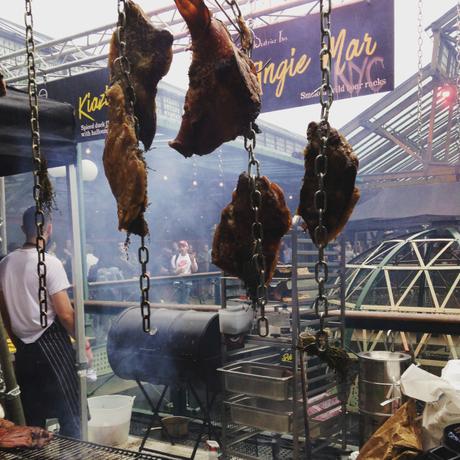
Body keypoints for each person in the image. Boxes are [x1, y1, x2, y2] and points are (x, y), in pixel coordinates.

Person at [0, 206, 92, 438]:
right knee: (72, 413)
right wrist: (84, 345)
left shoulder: (4, 265)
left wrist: (19, 341)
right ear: (48, 229)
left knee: (32, 420)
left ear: (22, 228)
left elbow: (5, 314)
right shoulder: (50, 263)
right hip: (53, 349)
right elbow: (66, 314)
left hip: (23, 351)